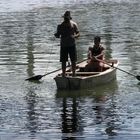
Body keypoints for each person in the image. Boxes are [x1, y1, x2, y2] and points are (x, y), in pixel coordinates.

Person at [54, 11, 80, 77]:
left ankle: (74, 74)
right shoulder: (60, 26)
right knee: (63, 61)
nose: (66, 19)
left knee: (73, 60)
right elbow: (58, 34)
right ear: (64, 18)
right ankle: (63, 74)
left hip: (72, 44)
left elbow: (78, 33)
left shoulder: (73, 24)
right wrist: (56, 35)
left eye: (67, 18)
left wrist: (75, 36)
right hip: (64, 45)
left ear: (69, 18)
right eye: (65, 18)